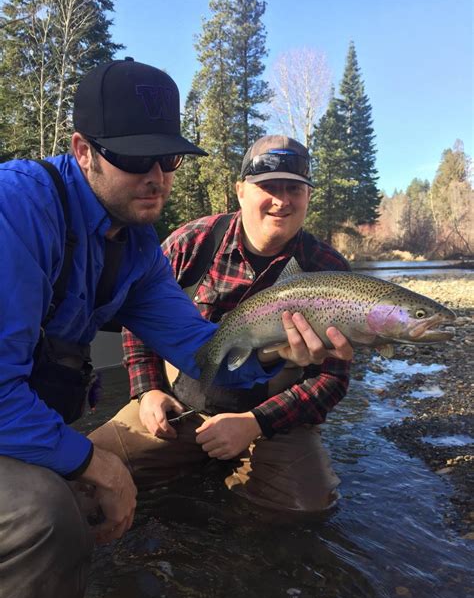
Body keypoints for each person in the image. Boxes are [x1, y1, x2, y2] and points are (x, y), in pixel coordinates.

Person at [0, 60, 331, 598]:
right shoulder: (17, 210)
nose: (155, 175)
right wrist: (94, 463)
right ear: (83, 150)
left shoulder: (134, 248)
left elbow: (206, 353)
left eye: (168, 158)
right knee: (47, 513)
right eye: (133, 157)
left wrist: (279, 353)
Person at [90, 134, 353, 518]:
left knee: (308, 510)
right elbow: (138, 315)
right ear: (241, 190)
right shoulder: (190, 242)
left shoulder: (328, 270)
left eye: (294, 189)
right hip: (177, 408)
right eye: (268, 187)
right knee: (85, 476)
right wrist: (147, 391)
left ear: (308, 196)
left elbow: (332, 380)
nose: (282, 201)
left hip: (270, 423)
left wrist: (253, 423)